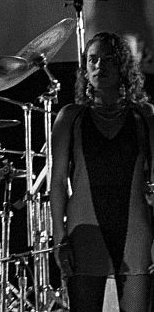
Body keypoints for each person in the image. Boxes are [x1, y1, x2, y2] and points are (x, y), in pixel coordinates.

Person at [50, 32, 154, 312]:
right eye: (93, 60)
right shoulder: (70, 117)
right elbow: (57, 182)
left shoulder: (145, 115)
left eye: (109, 60)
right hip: (84, 231)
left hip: (135, 231)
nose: (99, 66)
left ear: (123, 67)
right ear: (85, 68)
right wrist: (59, 240)